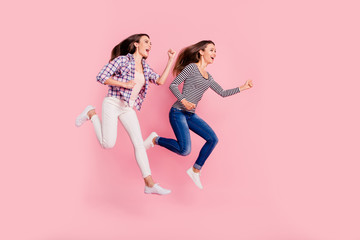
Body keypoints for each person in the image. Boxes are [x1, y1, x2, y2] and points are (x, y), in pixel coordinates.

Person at [75, 33, 176, 195]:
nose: (149, 45)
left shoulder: (145, 66)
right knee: (107, 144)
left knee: (138, 144)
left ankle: (149, 184)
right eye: (146, 42)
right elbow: (101, 77)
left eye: (151, 43)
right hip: (113, 103)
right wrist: (124, 84)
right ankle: (91, 113)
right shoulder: (123, 60)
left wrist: (170, 60)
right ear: (136, 44)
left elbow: (160, 81)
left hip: (127, 107)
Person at [148, 40, 253, 189]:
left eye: (215, 51)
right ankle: (155, 139)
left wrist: (243, 87)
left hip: (190, 115)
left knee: (212, 139)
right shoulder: (191, 68)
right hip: (178, 112)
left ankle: (195, 170)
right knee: (185, 150)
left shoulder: (208, 77)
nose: (214, 53)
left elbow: (222, 93)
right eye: (211, 50)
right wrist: (183, 100)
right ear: (201, 52)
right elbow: (173, 84)